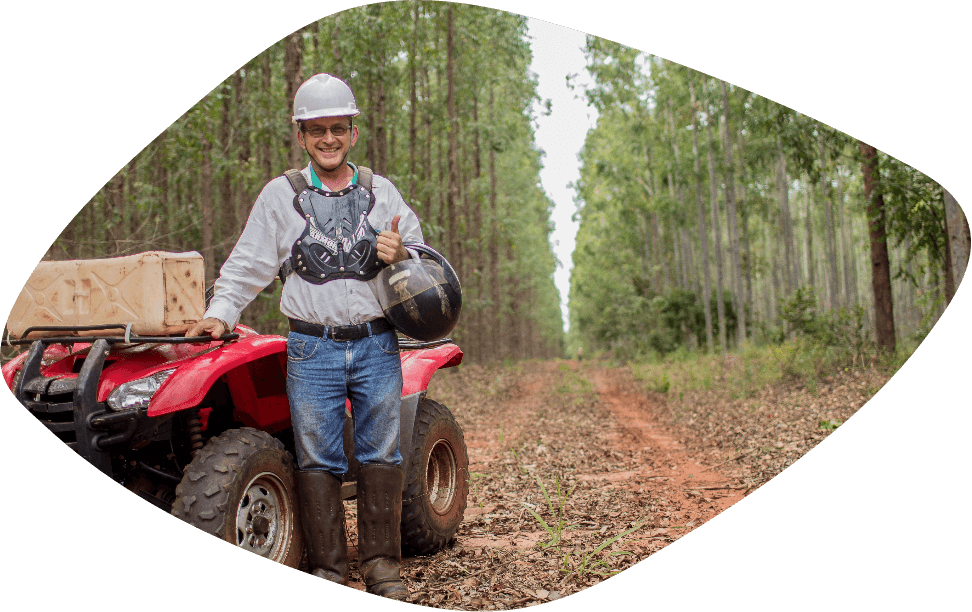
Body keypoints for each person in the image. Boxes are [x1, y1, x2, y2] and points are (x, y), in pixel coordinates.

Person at [187, 73, 421, 600]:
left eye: (339, 128)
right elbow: (248, 264)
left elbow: (423, 262)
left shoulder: (383, 194)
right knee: (317, 459)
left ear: (353, 133)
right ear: (301, 135)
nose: (329, 139)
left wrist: (402, 255)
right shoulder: (279, 197)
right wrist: (221, 313)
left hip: (376, 341)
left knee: (381, 451)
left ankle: (383, 568)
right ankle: (330, 570)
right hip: (310, 346)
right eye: (317, 130)